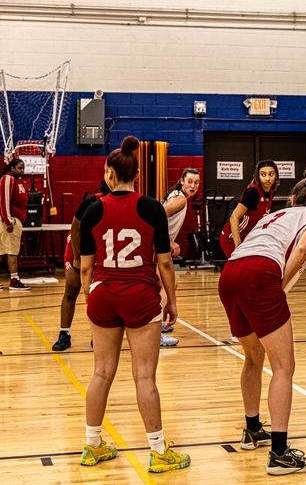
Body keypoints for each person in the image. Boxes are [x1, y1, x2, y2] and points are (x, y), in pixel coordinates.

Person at [77, 136, 190, 473]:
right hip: (140, 295)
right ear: (137, 175)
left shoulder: (92, 209)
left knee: (100, 373)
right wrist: (172, 299)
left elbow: (85, 265)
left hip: (103, 293)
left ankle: (92, 446)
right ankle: (158, 451)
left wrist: (89, 291)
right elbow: (165, 262)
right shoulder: (152, 208)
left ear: (110, 174)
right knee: (144, 377)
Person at [218, 168, 306, 476]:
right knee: (284, 366)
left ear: (292, 198)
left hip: (231, 272)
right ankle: (280, 454)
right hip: (260, 274)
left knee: (253, 358)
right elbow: (303, 248)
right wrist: (279, 285)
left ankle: (252, 430)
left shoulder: (272, 215)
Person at [51, 180, 110, 352]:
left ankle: (97, 335)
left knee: (98, 294)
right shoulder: (91, 202)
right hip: (78, 245)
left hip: (99, 248)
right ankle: (64, 334)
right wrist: (77, 257)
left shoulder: (122, 202)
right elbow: (75, 228)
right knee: (71, 290)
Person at [157, 168, 201, 347]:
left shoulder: (176, 195)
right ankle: (156, 333)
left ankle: (158, 325)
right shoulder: (180, 199)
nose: (192, 185)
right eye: (189, 181)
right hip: (156, 244)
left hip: (157, 244)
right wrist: (169, 242)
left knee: (168, 285)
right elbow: (158, 216)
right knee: (162, 287)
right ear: (182, 181)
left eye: (196, 183)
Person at [0, 159, 30, 291]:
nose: (22, 171)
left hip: (5, 218)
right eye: (20, 168)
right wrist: (8, 221)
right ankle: (14, 280)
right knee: (12, 250)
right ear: (12, 168)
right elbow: (4, 201)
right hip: (5, 220)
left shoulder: (16, 180)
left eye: (23, 168)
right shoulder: (7, 179)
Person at [219, 160, 279, 258]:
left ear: (276, 175)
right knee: (239, 271)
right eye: (263, 175)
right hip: (232, 238)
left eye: (271, 174)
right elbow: (234, 217)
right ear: (258, 176)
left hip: (249, 239)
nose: (267, 178)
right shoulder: (253, 193)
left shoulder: (271, 192)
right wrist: (238, 247)